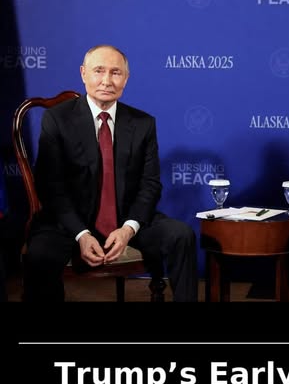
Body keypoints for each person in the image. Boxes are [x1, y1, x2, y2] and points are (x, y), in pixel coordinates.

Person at [23, 44, 198, 301]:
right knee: (39, 254)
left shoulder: (143, 123)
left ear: (126, 79)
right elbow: (51, 188)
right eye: (99, 71)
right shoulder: (57, 119)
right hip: (69, 223)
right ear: (83, 74)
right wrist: (82, 234)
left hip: (126, 219)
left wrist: (128, 229)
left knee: (181, 235)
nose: (107, 80)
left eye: (116, 73)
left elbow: (150, 184)